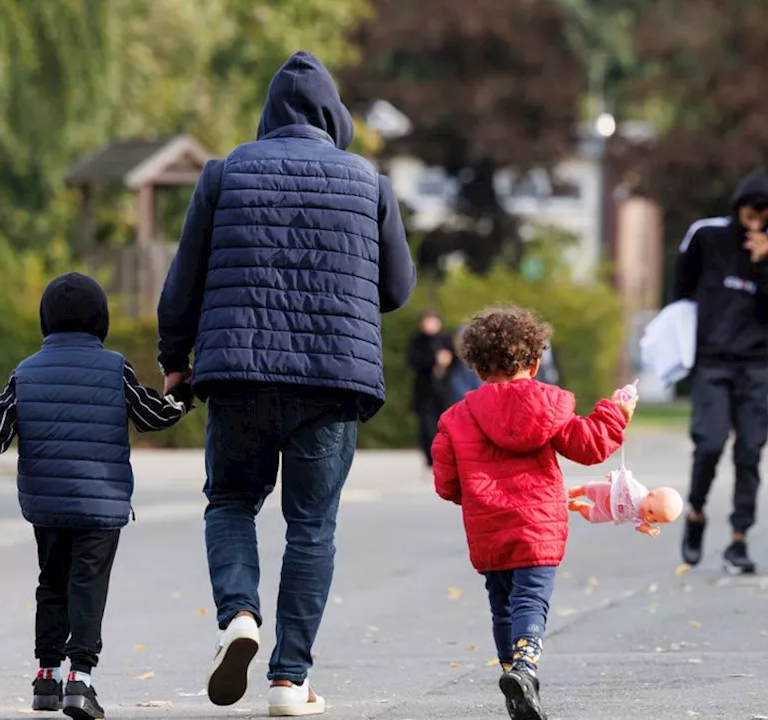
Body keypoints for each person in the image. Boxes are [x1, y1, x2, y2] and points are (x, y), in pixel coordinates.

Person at [156, 51, 416, 715]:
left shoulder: (226, 173)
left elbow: (183, 279)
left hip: (239, 374)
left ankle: (239, 616)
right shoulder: (368, 182)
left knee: (232, 500)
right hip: (332, 383)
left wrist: (174, 357)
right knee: (312, 528)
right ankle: (288, 682)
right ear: (335, 116)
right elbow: (397, 289)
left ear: (269, 113)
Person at [0, 272, 193, 719]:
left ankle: (46, 677)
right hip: (100, 502)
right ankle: (80, 680)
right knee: (87, 586)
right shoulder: (114, 367)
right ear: (100, 320)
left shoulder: (25, 372)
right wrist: (182, 394)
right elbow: (150, 415)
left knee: (52, 582)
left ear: (46, 320)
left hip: (46, 503)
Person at [431, 307, 634, 720]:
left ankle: (513, 680)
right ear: (536, 361)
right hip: (538, 526)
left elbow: (447, 484)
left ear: (477, 367)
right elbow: (589, 445)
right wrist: (616, 414)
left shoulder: (456, 418)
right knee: (530, 600)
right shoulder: (548, 405)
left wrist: (475, 492)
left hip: (488, 527)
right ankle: (524, 668)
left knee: (502, 604)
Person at [672, 169, 768, 574]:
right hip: (712, 360)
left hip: (754, 364)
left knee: (750, 451)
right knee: (709, 443)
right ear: (738, 205)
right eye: (750, 208)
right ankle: (697, 513)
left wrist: (763, 264)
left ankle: (739, 539)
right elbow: (681, 289)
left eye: (764, 210)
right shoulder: (706, 236)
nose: (755, 216)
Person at [407, 311, 454, 467]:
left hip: (443, 392)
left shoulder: (446, 340)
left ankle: (445, 458)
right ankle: (430, 459)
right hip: (424, 392)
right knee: (426, 428)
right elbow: (412, 361)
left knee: (445, 426)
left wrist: (448, 361)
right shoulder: (416, 341)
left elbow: (458, 362)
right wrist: (434, 359)